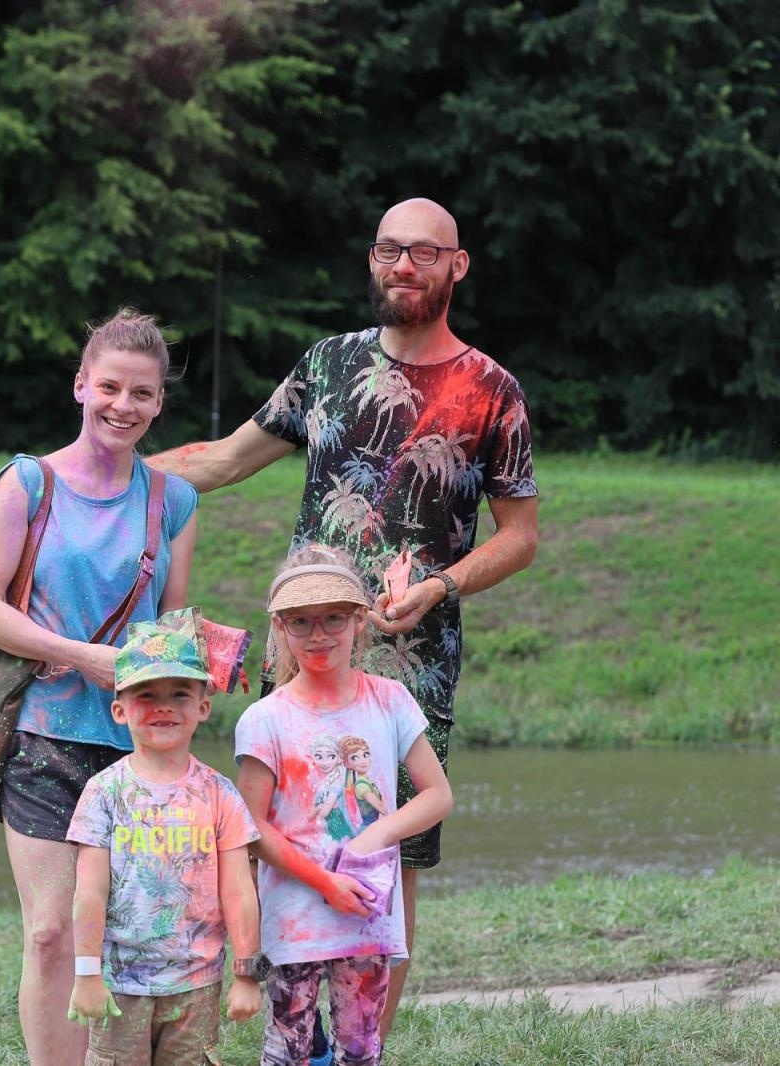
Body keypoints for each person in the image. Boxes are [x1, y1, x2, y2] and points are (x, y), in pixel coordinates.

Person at [150, 197, 540, 1036]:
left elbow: (521, 538)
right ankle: (292, 1041)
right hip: (299, 659)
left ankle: (360, 1052)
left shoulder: (492, 391)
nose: (404, 266)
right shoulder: (326, 364)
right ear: (372, 259)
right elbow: (222, 461)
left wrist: (438, 586)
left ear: (457, 266)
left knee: (388, 871)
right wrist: (96, 472)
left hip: (410, 667)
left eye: (424, 252)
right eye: (389, 250)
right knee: (274, 846)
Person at [0, 308, 199, 1066]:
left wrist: (197, 658)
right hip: (42, 736)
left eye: (142, 393)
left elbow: (168, 625)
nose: (123, 406)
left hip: (136, 750)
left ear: (159, 403)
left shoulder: (173, 501)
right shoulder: (26, 483)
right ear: (80, 387)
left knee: (122, 933)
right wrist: (78, 656)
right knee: (50, 932)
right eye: (109, 387)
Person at [234, 546, 453, 1065]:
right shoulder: (265, 719)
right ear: (280, 627)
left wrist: (376, 835)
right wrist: (325, 882)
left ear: (359, 620)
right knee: (288, 1050)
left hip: (367, 914)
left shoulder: (391, 700)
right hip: (295, 919)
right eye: (301, 621)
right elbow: (251, 827)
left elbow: (438, 795)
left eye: (334, 618)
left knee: (360, 1047)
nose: (319, 634)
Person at [66, 608, 264, 1065]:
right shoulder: (103, 792)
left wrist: (247, 973)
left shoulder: (220, 794)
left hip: (197, 984)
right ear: (119, 710)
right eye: (146, 694)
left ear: (203, 708)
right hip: (120, 982)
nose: (164, 706)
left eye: (180, 693)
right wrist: (87, 974)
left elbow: (239, 890)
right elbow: (89, 892)